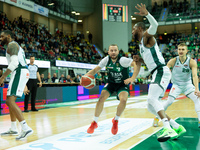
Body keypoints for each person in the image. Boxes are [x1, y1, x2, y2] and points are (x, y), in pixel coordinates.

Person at [132, 3, 181, 142]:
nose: (132, 32)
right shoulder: (141, 45)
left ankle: (167, 129)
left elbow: (155, 25)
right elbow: (149, 60)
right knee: (151, 106)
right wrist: (140, 59)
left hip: (160, 70)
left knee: (151, 99)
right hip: (156, 72)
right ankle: (175, 126)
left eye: (133, 29)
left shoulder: (146, 36)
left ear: (140, 29)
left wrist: (147, 13)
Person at [85, 44, 141, 135]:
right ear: (108, 52)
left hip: (122, 84)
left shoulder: (123, 60)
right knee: (101, 98)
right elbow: (95, 70)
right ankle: (94, 122)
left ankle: (115, 120)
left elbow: (136, 64)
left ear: (118, 52)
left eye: (115, 50)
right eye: (111, 50)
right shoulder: (106, 60)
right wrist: (85, 76)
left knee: (123, 100)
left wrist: (132, 78)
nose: (113, 52)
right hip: (111, 83)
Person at [153, 43, 200, 128]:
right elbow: (166, 71)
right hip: (176, 85)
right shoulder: (173, 61)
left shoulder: (191, 62)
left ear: (187, 51)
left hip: (187, 85)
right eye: (179, 49)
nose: (181, 51)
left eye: (183, 49)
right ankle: (156, 117)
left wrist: (197, 88)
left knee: (197, 98)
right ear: (177, 50)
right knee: (169, 102)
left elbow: (194, 76)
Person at [0, 30, 33, 140]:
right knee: (9, 101)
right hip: (19, 72)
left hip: (19, 71)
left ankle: (25, 128)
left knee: (10, 101)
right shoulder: (13, 45)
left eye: (2, 36)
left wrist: (3, 77)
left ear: (8, 36)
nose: (0, 38)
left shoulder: (12, 44)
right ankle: (14, 128)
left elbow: (14, 63)